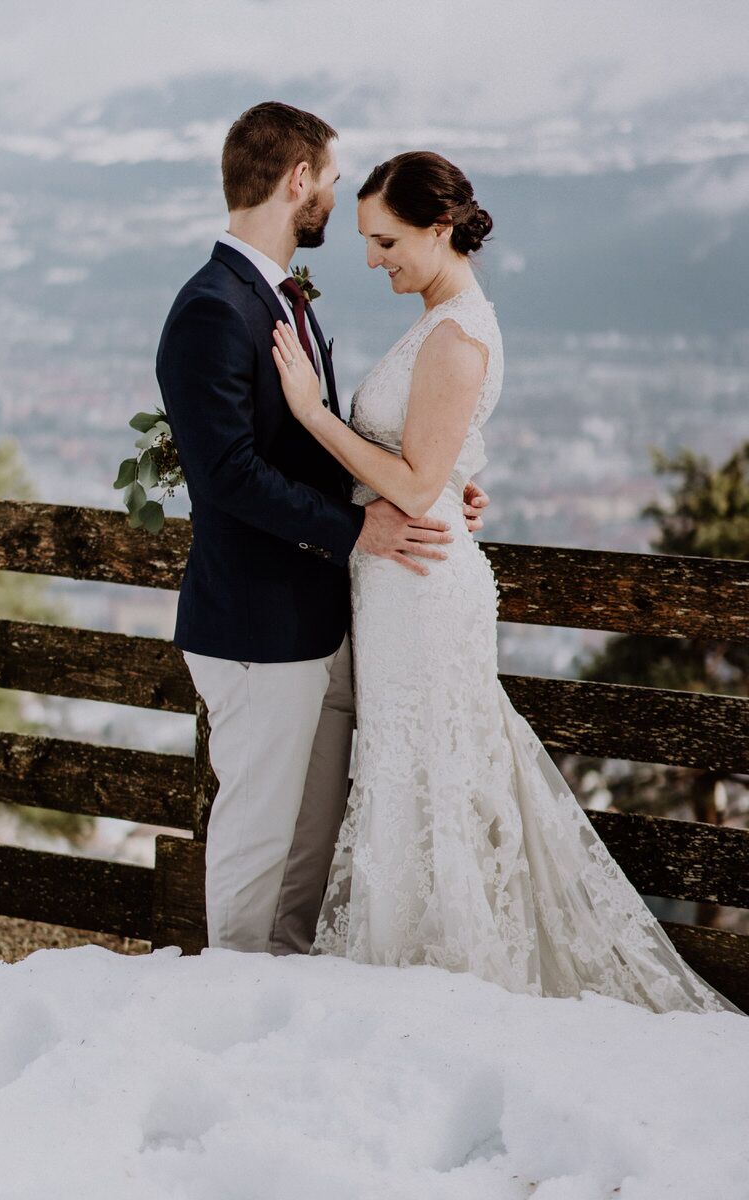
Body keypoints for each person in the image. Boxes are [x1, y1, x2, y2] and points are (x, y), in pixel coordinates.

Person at [272, 149, 744, 1016]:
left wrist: (311, 414)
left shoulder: (455, 334)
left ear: (440, 228)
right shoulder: (441, 317)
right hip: (399, 577)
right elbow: (431, 465)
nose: (372, 258)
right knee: (410, 768)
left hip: (419, 587)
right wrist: (451, 483)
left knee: (430, 770)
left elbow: (411, 483)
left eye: (386, 241)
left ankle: (445, 982)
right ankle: (407, 966)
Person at [155, 104, 488, 957]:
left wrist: (441, 487)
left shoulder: (275, 295)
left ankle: (288, 993)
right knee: (257, 838)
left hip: (317, 621)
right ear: (299, 181)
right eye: (335, 182)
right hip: (256, 626)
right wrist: (357, 529)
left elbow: (308, 446)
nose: (338, 204)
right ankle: (227, 992)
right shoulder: (211, 309)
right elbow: (227, 475)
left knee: (306, 845)